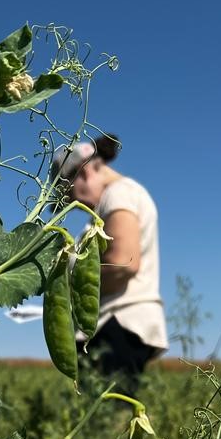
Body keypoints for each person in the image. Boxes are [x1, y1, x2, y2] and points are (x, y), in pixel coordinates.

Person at [50, 135, 168, 394]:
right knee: (104, 419)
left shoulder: (118, 195)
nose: (74, 204)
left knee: (108, 422)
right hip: (115, 325)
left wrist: (69, 292)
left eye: (70, 195)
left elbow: (123, 264)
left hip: (117, 324)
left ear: (84, 173)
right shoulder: (115, 200)